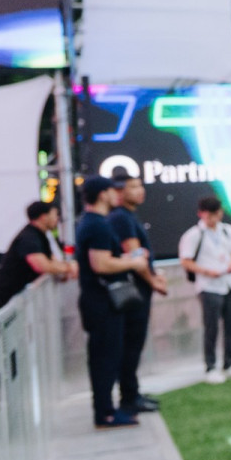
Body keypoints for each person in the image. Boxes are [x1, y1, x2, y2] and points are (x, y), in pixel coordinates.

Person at [73, 176, 155, 429]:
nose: (116, 195)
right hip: (101, 303)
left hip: (103, 303)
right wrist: (133, 262)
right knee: (104, 359)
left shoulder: (95, 222)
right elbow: (101, 264)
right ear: (103, 194)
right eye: (112, 191)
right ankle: (105, 413)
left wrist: (130, 259)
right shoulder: (97, 225)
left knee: (108, 357)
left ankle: (107, 409)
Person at [108, 174, 170, 412]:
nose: (140, 190)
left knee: (134, 344)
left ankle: (132, 392)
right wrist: (153, 281)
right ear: (119, 191)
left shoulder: (127, 216)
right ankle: (129, 397)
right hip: (133, 292)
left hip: (139, 289)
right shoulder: (121, 218)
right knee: (131, 344)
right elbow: (135, 256)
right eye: (133, 186)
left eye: (140, 185)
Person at [177, 195, 231, 384]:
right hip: (208, 286)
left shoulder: (227, 230)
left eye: (215, 215)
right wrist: (207, 271)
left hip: (230, 283)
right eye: (208, 216)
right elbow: (185, 261)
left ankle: (230, 363)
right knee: (211, 327)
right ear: (201, 214)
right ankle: (211, 366)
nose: (212, 219)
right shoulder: (193, 235)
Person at [0, 199, 76, 306]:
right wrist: (69, 268)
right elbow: (42, 266)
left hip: (22, 302)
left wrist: (63, 270)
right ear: (44, 217)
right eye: (55, 215)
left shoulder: (41, 236)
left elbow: (51, 260)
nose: (57, 218)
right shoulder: (29, 238)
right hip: (11, 302)